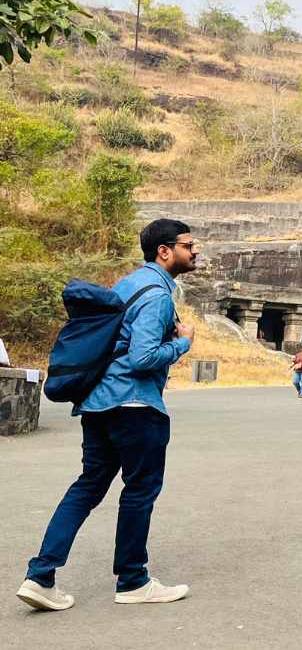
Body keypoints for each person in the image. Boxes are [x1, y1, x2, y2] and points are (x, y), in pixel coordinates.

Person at [18, 219, 199, 611]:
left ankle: (40, 576)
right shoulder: (157, 296)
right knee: (140, 490)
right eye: (188, 245)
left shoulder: (126, 286)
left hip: (98, 404)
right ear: (164, 252)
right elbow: (143, 357)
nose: (195, 250)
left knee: (87, 487)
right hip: (135, 407)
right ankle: (133, 580)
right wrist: (182, 343)